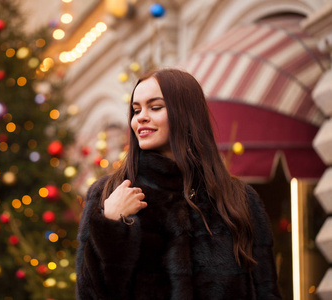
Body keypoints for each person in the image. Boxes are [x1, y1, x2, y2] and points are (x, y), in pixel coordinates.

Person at [76, 68, 281, 300]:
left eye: (155, 107)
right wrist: (111, 224)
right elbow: (90, 295)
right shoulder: (111, 193)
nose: (141, 117)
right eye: (136, 110)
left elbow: (266, 290)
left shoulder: (237, 198)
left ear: (185, 113)